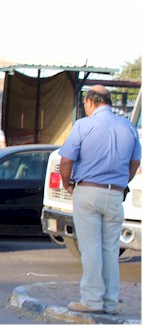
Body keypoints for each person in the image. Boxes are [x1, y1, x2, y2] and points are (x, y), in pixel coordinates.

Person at [59, 85, 141, 315]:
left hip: (88, 190)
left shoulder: (83, 125)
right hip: (115, 193)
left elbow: (66, 160)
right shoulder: (128, 126)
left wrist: (67, 184)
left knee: (91, 247)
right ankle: (110, 302)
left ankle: (92, 300)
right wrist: (123, 181)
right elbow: (135, 162)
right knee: (110, 249)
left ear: (89, 102)